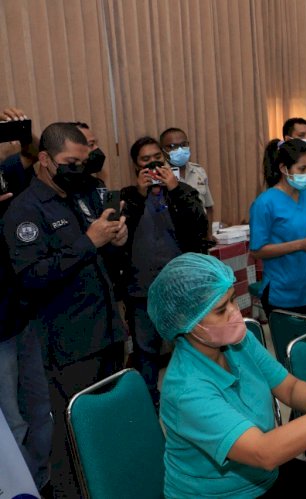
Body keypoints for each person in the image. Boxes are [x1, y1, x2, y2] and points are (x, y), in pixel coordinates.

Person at [147, 252, 306, 498]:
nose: (235, 313)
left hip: (264, 475)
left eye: (232, 300)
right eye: (221, 310)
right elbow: (264, 452)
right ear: (187, 322)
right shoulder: (187, 389)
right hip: (224, 493)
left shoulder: (239, 343)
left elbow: (290, 389)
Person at [2, 122, 128, 497]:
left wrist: (114, 239)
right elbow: (31, 276)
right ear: (44, 160)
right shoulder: (25, 210)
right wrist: (89, 243)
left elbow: (100, 255)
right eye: (69, 162)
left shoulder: (81, 194)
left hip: (106, 326)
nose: (78, 170)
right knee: (74, 432)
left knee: (110, 419)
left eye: (83, 161)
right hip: (68, 341)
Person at [119, 136, 208, 405]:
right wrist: (138, 195)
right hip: (141, 289)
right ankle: (150, 404)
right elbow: (119, 236)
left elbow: (198, 226)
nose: (153, 163)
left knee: (193, 344)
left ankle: (199, 396)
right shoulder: (127, 197)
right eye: (146, 160)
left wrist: (177, 189)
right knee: (146, 352)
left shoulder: (181, 192)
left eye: (157, 157)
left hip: (181, 287)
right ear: (136, 165)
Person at [0, 107, 52, 493]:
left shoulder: (7, 169)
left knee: (39, 409)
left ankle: (43, 483)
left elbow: (35, 157)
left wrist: (21, 132)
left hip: (20, 314)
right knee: (12, 420)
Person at [250, 139, 306, 324]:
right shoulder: (265, 203)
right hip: (283, 292)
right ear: (283, 168)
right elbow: (257, 250)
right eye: (302, 169)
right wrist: (299, 245)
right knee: (293, 350)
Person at [160, 127, 215, 237]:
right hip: (174, 241)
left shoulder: (199, 171)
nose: (180, 150)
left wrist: (209, 234)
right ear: (163, 150)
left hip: (200, 238)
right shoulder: (160, 176)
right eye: (172, 146)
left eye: (183, 144)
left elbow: (208, 207)